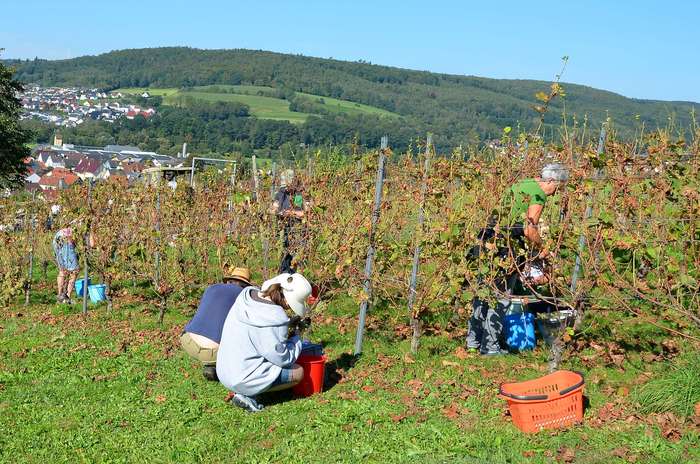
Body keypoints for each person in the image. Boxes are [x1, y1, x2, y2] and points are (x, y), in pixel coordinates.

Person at [466, 163, 569, 355]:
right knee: (501, 296)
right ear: (552, 181)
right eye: (558, 188)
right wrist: (543, 248)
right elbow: (529, 229)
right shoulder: (538, 194)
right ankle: (490, 348)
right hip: (505, 248)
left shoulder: (523, 183)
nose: (556, 194)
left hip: (486, 240)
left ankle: (473, 342)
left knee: (482, 293)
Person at [216, 272, 312, 412]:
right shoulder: (275, 317)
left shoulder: (247, 297)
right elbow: (284, 359)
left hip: (224, 370)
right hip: (241, 378)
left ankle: (248, 388)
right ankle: (248, 394)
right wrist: (297, 337)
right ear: (287, 301)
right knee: (298, 372)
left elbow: (258, 335)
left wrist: (287, 327)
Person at [181, 267, 252, 381]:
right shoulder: (245, 296)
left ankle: (211, 364)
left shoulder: (211, 288)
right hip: (215, 351)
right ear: (246, 286)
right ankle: (226, 368)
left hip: (188, 341)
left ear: (229, 281)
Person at [270, 170, 309, 273]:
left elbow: (307, 213)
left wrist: (291, 213)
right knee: (283, 257)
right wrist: (277, 211)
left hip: (298, 231)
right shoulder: (280, 193)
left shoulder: (300, 195)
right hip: (283, 230)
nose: (285, 188)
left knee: (297, 258)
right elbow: (274, 208)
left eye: (287, 185)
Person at [52, 227, 80, 304]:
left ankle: (60, 296)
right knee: (74, 271)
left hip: (58, 236)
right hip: (68, 238)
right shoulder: (89, 221)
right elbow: (92, 244)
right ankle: (67, 298)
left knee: (62, 270)